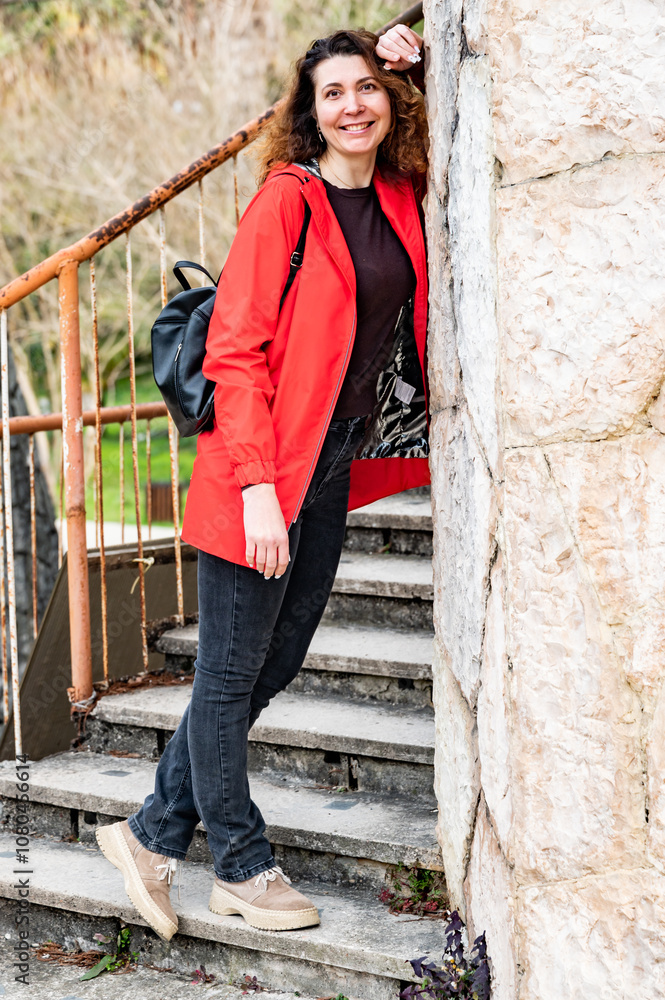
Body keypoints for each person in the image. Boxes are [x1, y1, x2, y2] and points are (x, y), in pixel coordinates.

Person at [96, 22, 429, 940]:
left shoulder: (399, 196)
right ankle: (241, 864)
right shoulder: (288, 201)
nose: (352, 105)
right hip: (261, 471)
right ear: (308, 112)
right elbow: (235, 352)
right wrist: (252, 489)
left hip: (331, 463)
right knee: (230, 671)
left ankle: (152, 834)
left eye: (366, 87)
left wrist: (422, 56)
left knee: (268, 668)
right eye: (332, 93)